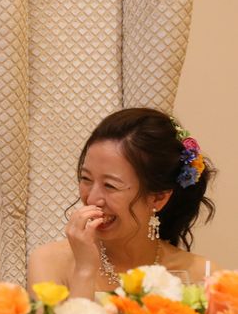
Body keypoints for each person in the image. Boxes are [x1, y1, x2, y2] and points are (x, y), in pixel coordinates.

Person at [28, 107, 217, 299]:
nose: (92, 199)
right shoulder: (49, 263)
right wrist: (84, 271)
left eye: (110, 185)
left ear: (158, 198)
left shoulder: (204, 276)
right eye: (86, 178)